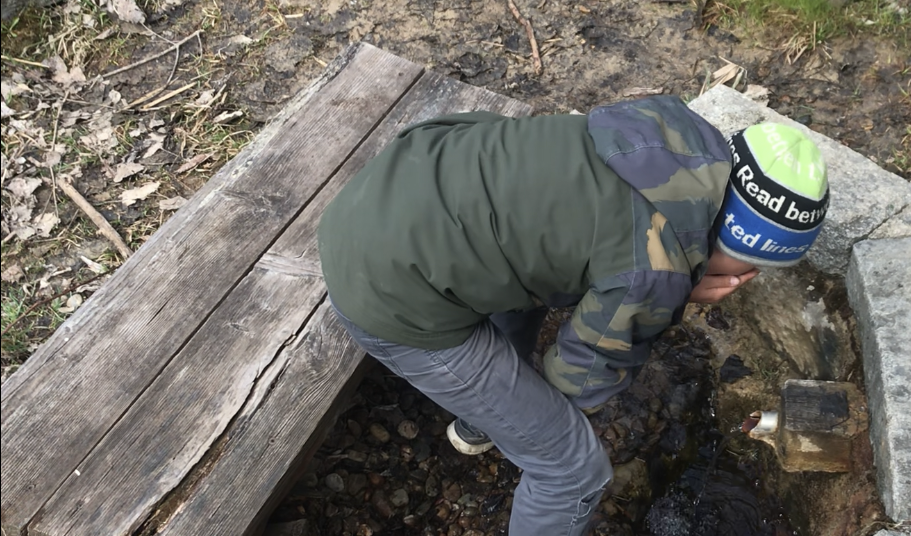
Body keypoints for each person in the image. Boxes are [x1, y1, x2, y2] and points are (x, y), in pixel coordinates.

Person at [317, 95, 829, 536]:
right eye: (756, 266)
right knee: (571, 469)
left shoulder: (656, 133)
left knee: (529, 271)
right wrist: (676, 287)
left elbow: (572, 239)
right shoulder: (656, 269)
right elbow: (577, 380)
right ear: (745, 243)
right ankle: (496, 421)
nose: (750, 279)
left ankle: (480, 422)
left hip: (384, 196)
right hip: (386, 297)